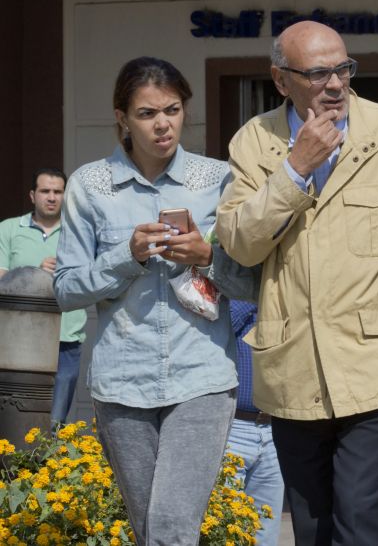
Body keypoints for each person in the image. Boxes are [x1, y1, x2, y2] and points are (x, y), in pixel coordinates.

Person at [215, 20, 378, 545]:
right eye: (317, 73)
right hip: (292, 366)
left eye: (344, 68)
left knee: (361, 517)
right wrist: (294, 170)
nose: (336, 84)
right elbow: (240, 242)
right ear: (280, 79)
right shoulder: (254, 141)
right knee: (312, 526)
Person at [53, 56, 257, 546]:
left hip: (202, 377)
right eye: (147, 113)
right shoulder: (90, 185)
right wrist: (127, 255)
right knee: (150, 532)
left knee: (170, 528)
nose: (163, 124)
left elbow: (254, 284)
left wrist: (208, 256)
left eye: (172, 109)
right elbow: (65, 290)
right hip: (123, 382)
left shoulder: (219, 179)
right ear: (122, 118)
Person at [0, 169, 87, 426]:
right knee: (14, 416)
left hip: (66, 337)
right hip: (17, 339)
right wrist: (35, 274)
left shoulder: (79, 233)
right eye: (45, 191)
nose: (51, 197)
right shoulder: (9, 229)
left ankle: (49, 466)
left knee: (55, 421)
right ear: (32, 195)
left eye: (58, 192)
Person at [226, 299, 284, 546]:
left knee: (265, 532)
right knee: (223, 526)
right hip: (232, 427)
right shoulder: (234, 292)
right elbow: (221, 325)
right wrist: (257, 294)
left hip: (276, 428)